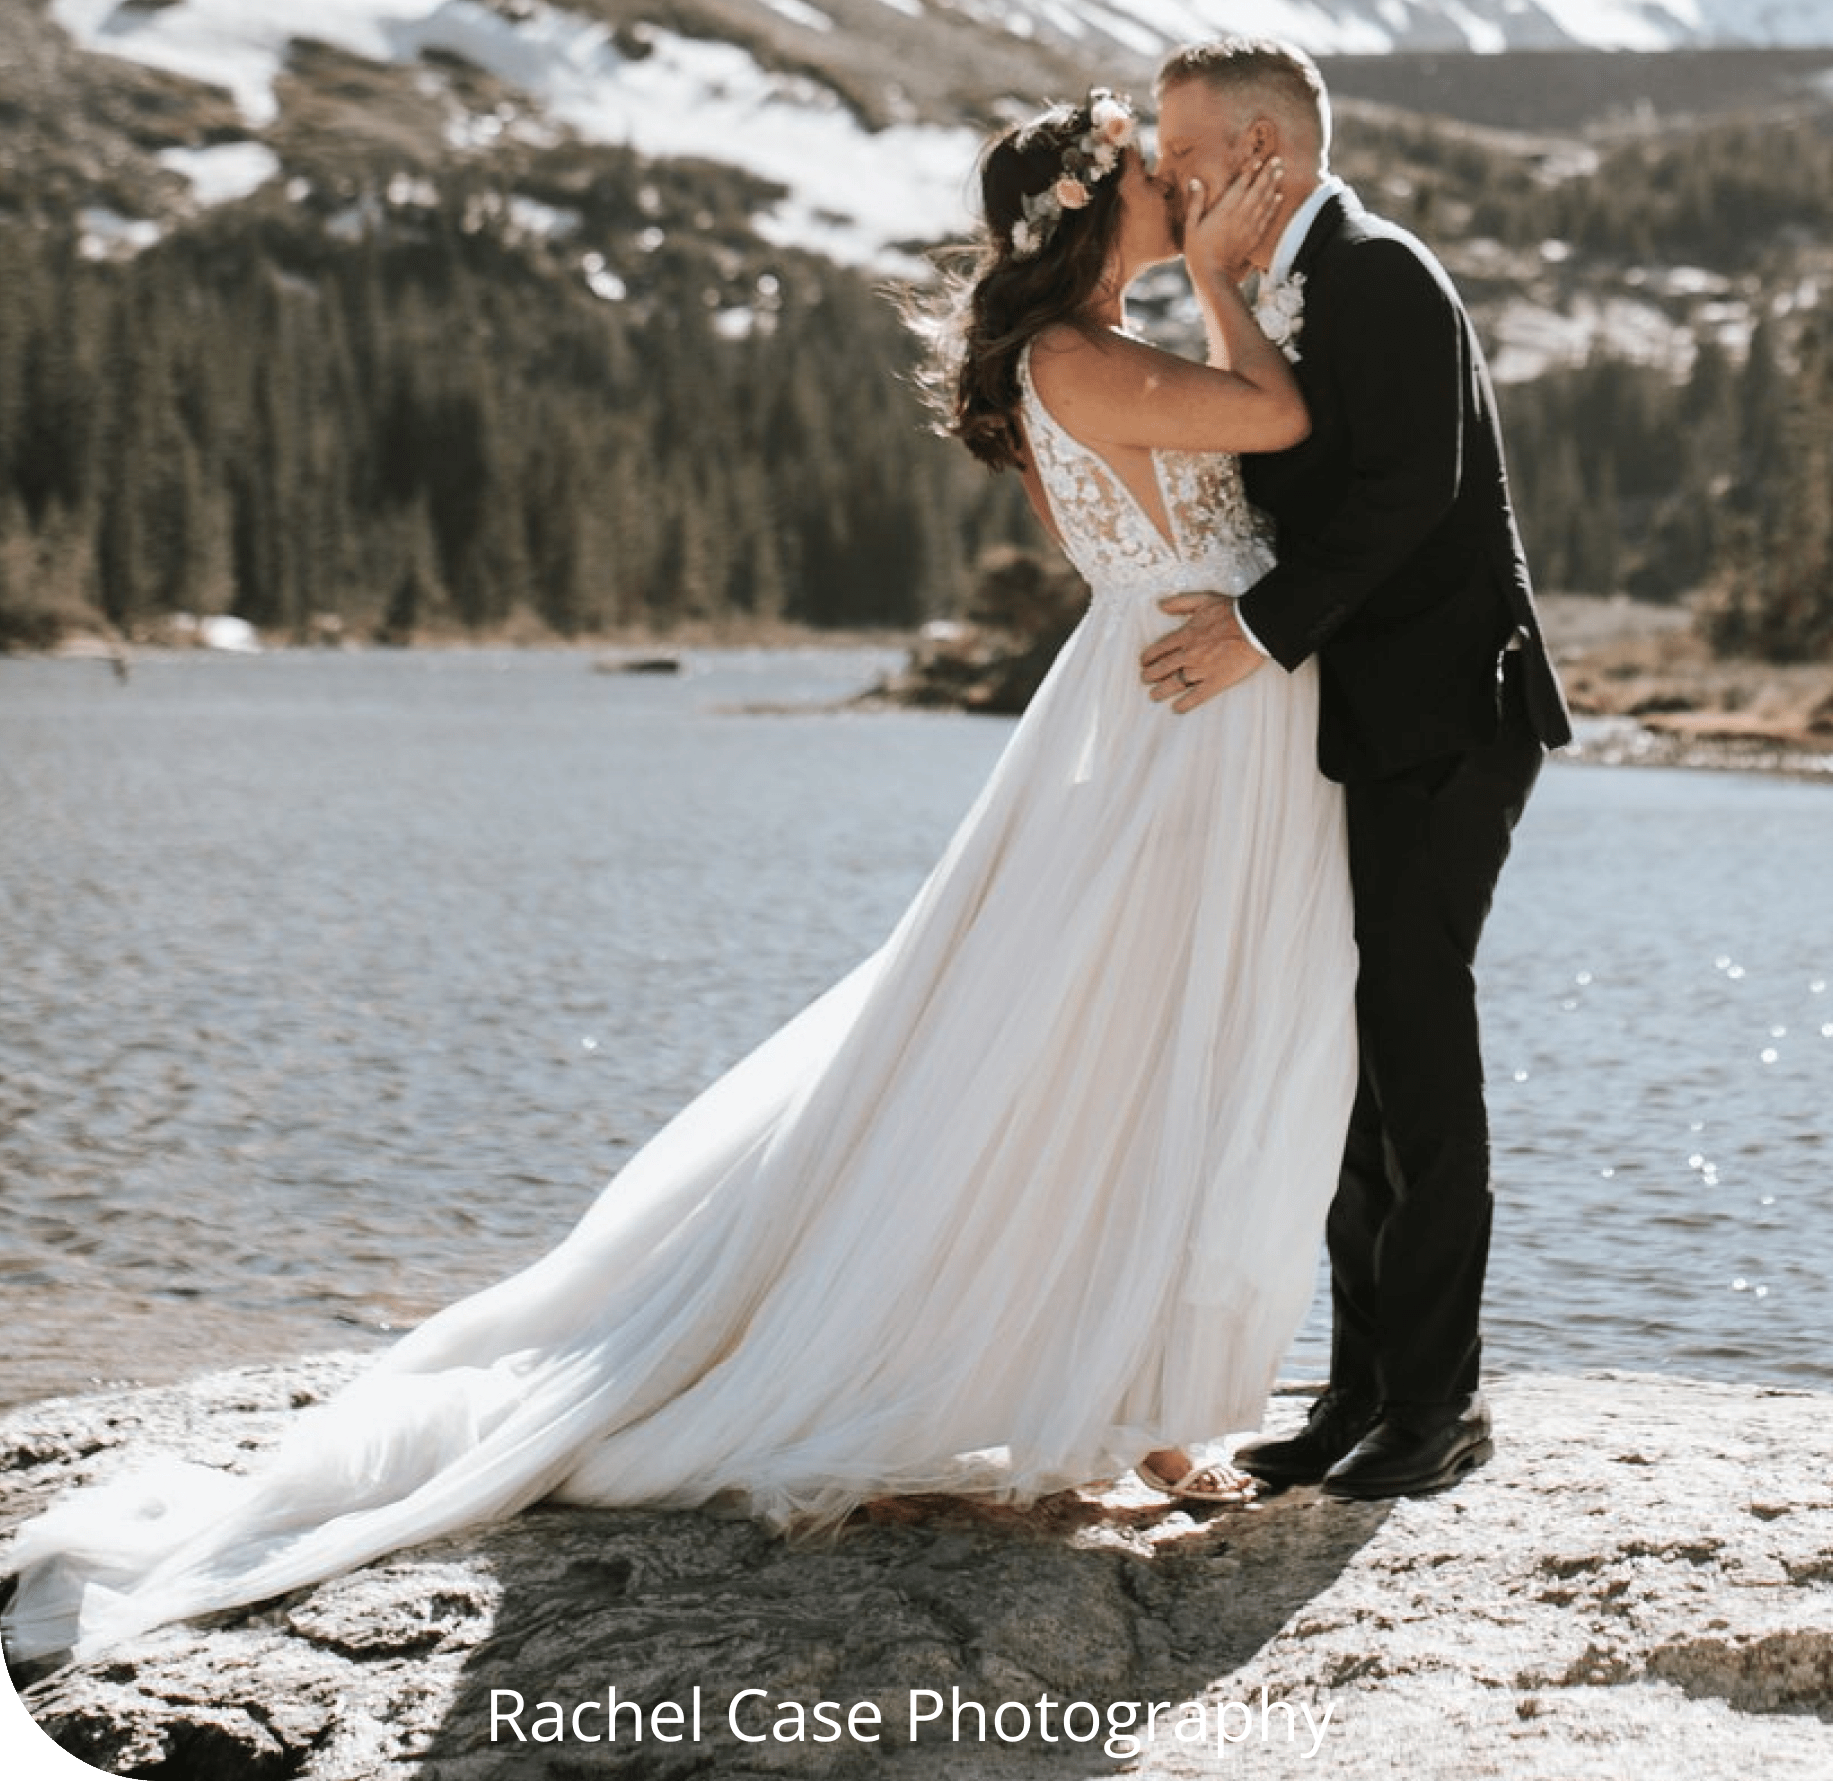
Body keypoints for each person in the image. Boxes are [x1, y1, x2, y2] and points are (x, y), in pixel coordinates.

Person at [1, 90, 1356, 1667]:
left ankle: (1129, 1386)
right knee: (1124, 1042)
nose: (1178, 184)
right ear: (1088, 210)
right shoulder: (1076, 356)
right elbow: (1282, 426)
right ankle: (1105, 1388)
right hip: (1190, 715)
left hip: (1178, 705)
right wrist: (1222, 279)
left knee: (1129, 1043)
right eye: (1148, 174)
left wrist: (1199, 284)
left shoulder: (1069, 356)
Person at [1140, 39, 1573, 1503]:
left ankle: (1438, 1405)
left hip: (1455, 716)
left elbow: (1413, 493)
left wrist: (1257, 631)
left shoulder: (1381, 271)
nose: (1170, 181)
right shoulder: (1282, 284)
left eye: (1189, 154)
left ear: (1269, 149)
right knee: (1362, 1058)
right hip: (1375, 718)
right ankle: (1361, 1392)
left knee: (1416, 1045)